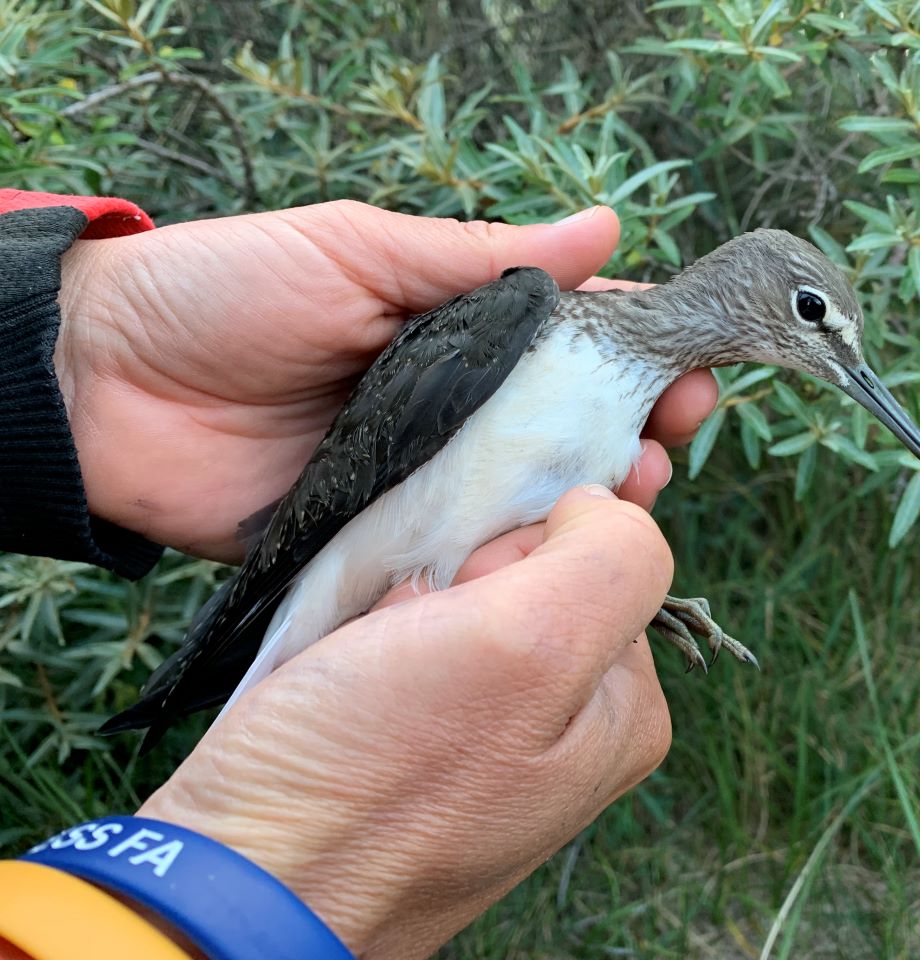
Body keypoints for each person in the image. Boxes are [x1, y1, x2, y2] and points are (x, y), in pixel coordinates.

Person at [0, 190, 718, 958]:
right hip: (346, 554)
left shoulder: (626, 401)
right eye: (815, 319)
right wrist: (269, 883)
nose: (853, 373)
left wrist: (80, 352)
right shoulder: (526, 308)